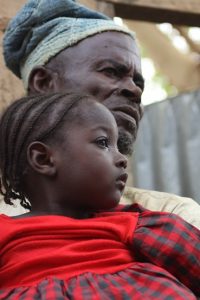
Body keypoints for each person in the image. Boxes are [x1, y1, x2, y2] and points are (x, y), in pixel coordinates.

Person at [2, 0, 200, 228]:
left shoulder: (173, 218)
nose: (135, 90)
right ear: (43, 82)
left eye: (138, 83)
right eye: (111, 71)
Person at [0, 92, 199, 299]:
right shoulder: (4, 231)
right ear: (43, 159)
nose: (122, 158)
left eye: (118, 146)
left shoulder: (133, 223)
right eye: (103, 143)